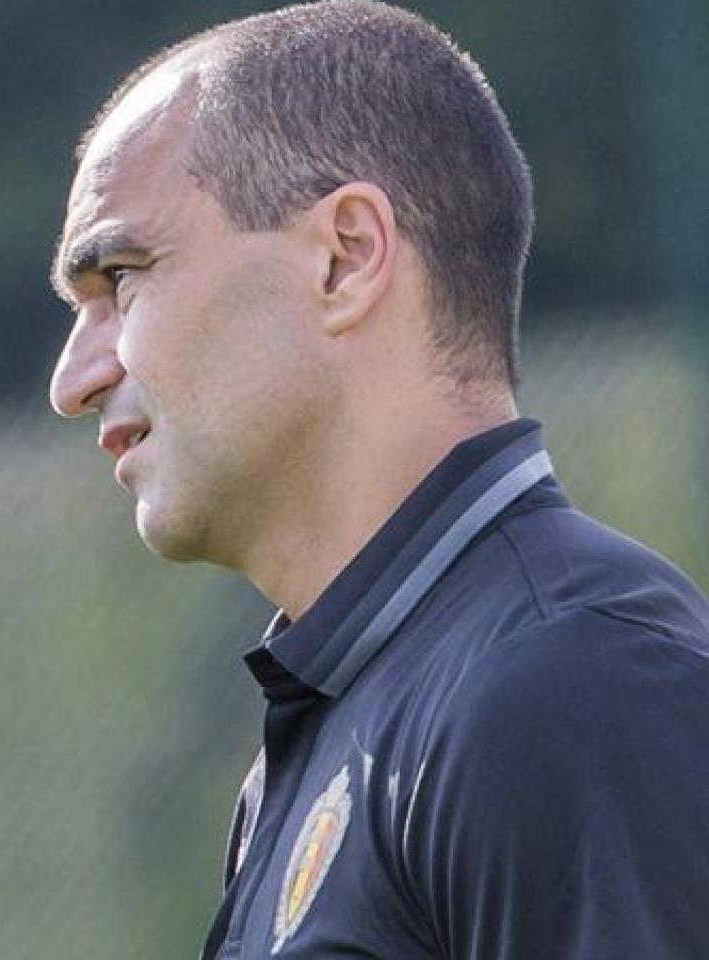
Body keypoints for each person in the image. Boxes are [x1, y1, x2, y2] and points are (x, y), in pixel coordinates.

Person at [47, 2, 709, 957]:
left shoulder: (575, 684)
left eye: (123, 278)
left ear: (347, 257)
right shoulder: (368, 703)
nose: (74, 380)